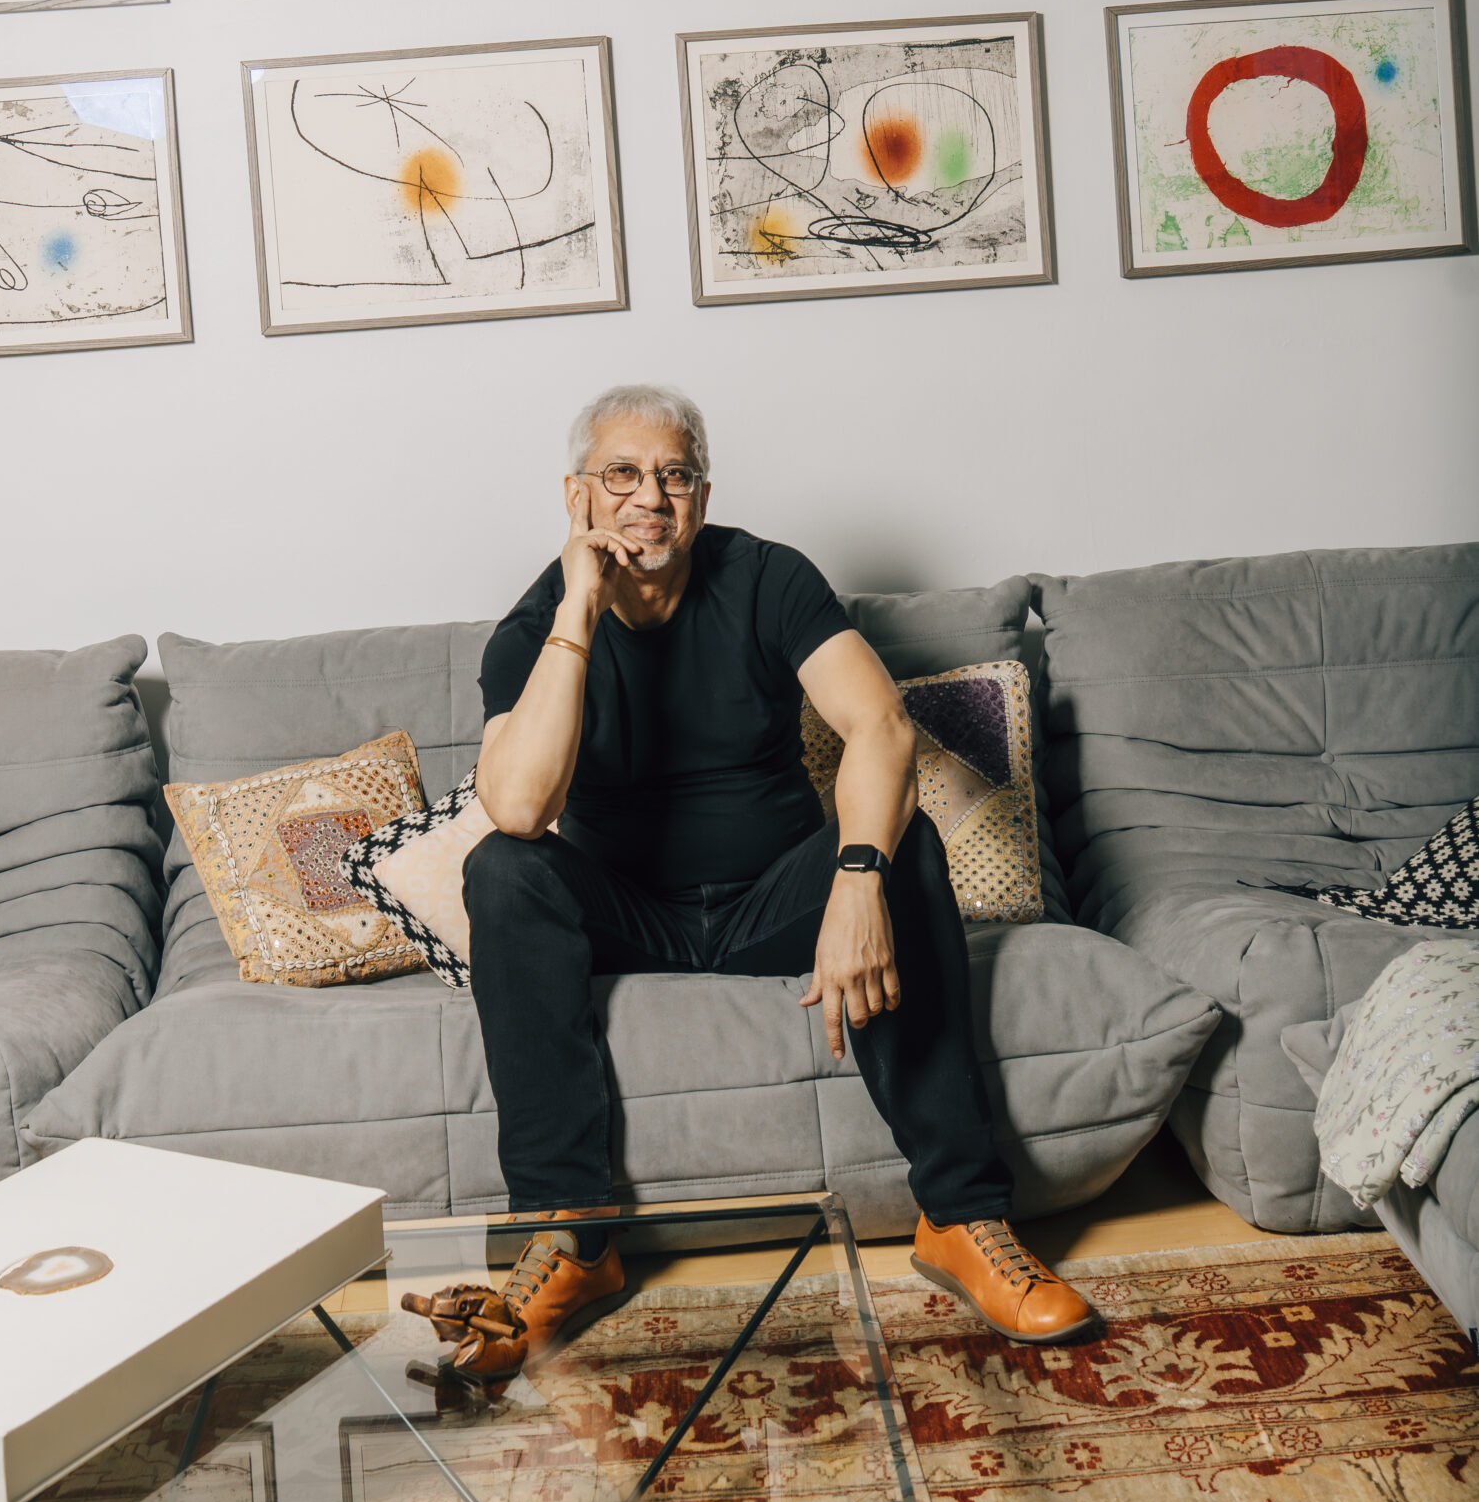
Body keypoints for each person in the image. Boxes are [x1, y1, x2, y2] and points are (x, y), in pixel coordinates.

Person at [401, 383, 1098, 1381]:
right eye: (623, 475)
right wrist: (578, 610)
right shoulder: (535, 627)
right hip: (626, 911)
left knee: (904, 844)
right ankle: (571, 1239)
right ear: (577, 496)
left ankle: (962, 1218)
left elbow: (883, 727)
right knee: (502, 869)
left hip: (773, 893)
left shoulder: (767, 578)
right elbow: (518, 808)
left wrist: (856, 877)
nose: (651, 497)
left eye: (674, 474)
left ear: (703, 491)